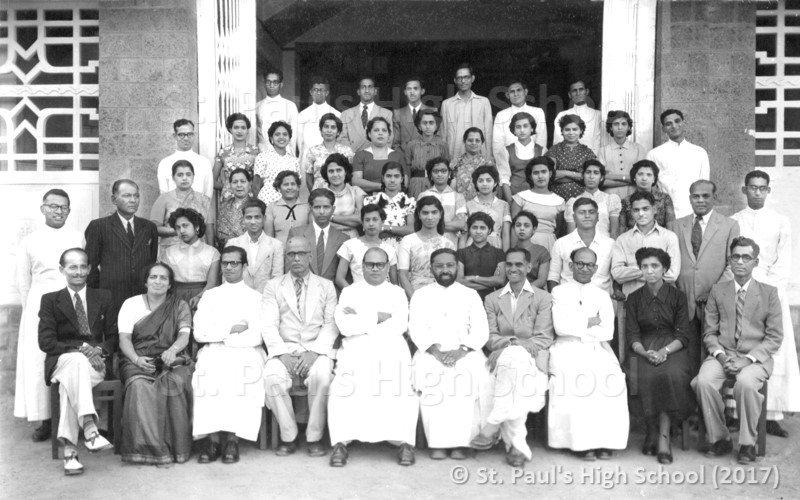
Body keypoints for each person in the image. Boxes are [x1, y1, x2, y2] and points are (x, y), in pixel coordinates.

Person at [692, 237, 783, 464]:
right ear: (730, 260)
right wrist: (721, 357)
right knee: (702, 381)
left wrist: (748, 360)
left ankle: (747, 443)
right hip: (723, 354)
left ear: (756, 262)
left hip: (755, 358)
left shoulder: (769, 293)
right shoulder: (718, 291)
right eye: (735, 256)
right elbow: (709, 333)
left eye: (746, 257)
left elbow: (774, 337)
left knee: (745, 383)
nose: (740, 261)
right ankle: (720, 437)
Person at [328, 247, 418, 467]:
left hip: (390, 346)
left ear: (388, 266)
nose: (375, 269)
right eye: (370, 264)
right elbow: (344, 325)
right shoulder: (350, 291)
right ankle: (341, 442)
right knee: (344, 383)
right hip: (355, 348)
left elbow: (399, 325)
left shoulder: (397, 292)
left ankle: (404, 442)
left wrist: (362, 321)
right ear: (362, 266)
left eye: (380, 264)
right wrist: (377, 316)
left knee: (401, 385)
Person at [731, 171, 800, 437]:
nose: (757, 192)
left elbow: (784, 260)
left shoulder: (780, 221)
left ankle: (771, 414)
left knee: (773, 351)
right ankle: (738, 413)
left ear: (768, 191)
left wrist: (767, 290)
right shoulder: (734, 221)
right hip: (741, 291)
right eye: (752, 188)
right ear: (744, 189)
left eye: (762, 188)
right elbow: (733, 259)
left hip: (772, 293)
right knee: (742, 346)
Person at [38, 248, 118, 475]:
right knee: (75, 362)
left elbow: (113, 338)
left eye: (83, 266)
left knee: (68, 384)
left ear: (90, 269)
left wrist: (99, 351)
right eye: (72, 267)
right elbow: (46, 342)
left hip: (94, 365)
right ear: (62, 269)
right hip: (63, 361)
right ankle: (91, 428)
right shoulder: (50, 301)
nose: (79, 271)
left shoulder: (104, 297)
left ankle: (70, 452)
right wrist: (83, 349)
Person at [473, 247, 553, 466]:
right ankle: (518, 447)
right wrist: (511, 346)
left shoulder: (543, 298)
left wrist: (511, 346)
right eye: (509, 264)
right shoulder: (492, 299)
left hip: (533, 357)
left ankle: (496, 423)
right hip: (502, 358)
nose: (513, 268)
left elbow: (543, 337)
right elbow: (490, 337)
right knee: (514, 364)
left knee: (515, 359)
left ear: (529, 267)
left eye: (519, 264)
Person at [548, 248, 629, 460]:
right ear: (571, 265)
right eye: (580, 263)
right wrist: (589, 321)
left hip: (597, 347)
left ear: (595, 268)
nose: (585, 268)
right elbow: (560, 327)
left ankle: (605, 441)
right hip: (566, 347)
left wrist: (579, 325)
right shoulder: (558, 292)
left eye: (589, 265)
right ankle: (581, 442)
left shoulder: (602, 296)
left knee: (610, 378)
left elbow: (607, 331)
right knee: (579, 379)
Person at [409, 248, 490, 460]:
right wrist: (435, 352)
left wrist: (461, 351)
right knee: (432, 375)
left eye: (449, 265)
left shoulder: (470, 295)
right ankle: (437, 443)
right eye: (439, 266)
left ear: (457, 267)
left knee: (467, 375)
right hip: (430, 351)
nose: (445, 270)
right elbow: (415, 328)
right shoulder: (420, 294)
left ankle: (462, 443)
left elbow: (481, 330)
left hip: (466, 350)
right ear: (431, 268)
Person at [15, 189, 82, 440]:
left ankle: (73, 418)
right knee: (38, 361)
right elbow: (24, 283)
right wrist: (32, 311)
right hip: (38, 307)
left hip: (71, 302)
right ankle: (45, 420)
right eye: (53, 206)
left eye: (64, 207)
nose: (58, 211)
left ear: (69, 210)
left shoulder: (77, 237)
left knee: (70, 357)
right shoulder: (29, 241)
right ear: (43, 209)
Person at [261, 237, 337, 458]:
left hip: (316, 349)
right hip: (284, 349)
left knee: (322, 378)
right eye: (291, 254)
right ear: (286, 257)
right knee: (272, 379)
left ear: (309, 256)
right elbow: (268, 324)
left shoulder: (326, 286)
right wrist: (282, 354)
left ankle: (314, 437)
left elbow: (331, 324)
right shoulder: (273, 286)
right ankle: (289, 435)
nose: (296, 258)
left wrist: (314, 353)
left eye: (301, 253)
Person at [192, 246, 266, 465]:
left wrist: (222, 335)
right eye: (225, 263)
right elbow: (199, 333)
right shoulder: (210, 296)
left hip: (246, 351)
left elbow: (257, 335)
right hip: (214, 350)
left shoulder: (255, 297)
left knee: (241, 374)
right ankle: (212, 439)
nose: (229, 267)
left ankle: (233, 439)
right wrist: (231, 329)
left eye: (235, 263)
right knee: (207, 374)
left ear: (244, 266)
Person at [117, 262, 193, 465]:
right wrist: (136, 359)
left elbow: (184, 336)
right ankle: (148, 450)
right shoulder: (130, 304)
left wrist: (172, 350)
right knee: (141, 386)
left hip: (172, 358)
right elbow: (124, 339)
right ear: (146, 281)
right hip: (136, 358)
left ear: (170, 284)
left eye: (163, 278)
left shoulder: (179, 305)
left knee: (174, 383)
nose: (157, 281)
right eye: (153, 277)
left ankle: (177, 449)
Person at [626, 248, 693, 464]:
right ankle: (651, 430)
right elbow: (632, 334)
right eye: (645, 266)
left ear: (664, 269)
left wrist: (664, 352)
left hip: (673, 348)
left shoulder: (678, 297)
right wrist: (644, 352)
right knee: (640, 375)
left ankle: (664, 437)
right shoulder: (634, 298)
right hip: (642, 349)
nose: (649, 271)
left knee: (669, 375)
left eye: (654, 266)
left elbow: (683, 335)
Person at [675, 180, 739, 373]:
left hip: (714, 301)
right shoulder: (677, 225)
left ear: (715, 198)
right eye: (696, 196)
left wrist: (714, 292)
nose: (700, 200)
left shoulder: (729, 225)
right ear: (690, 198)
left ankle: (708, 398)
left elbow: (732, 264)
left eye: (705, 196)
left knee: (711, 352)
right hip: (684, 300)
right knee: (685, 355)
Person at [85, 179, 159, 312]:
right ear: (114, 199)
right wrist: (98, 295)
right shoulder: (99, 226)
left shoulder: (149, 227)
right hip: (111, 298)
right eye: (127, 195)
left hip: (142, 298)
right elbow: (90, 265)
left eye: (136, 196)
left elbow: (151, 263)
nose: (133, 200)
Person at [612, 191, 681, 297]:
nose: (641, 214)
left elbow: (672, 274)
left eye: (645, 209)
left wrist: (633, 272)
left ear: (654, 210)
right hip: (632, 300)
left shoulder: (669, 237)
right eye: (636, 210)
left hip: (663, 301)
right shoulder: (622, 239)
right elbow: (617, 273)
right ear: (631, 212)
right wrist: (654, 270)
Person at [646, 109, 710, 218]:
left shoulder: (699, 152)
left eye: (677, 121)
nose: (674, 126)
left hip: (693, 212)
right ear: (663, 129)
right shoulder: (654, 154)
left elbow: (705, 185)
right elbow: (651, 187)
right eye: (668, 124)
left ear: (683, 123)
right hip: (667, 213)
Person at [548, 198, 616, 295]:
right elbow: (553, 276)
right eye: (582, 212)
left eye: (591, 212)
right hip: (568, 300)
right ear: (574, 217)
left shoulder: (610, 244)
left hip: (600, 301)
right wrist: (556, 299)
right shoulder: (561, 243)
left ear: (598, 217)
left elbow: (615, 275)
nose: (587, 216)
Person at [150, 159, 215, 254]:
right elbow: (154, 228)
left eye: (188, 174)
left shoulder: (204, 200)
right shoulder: (163, 199)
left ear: (193, 177)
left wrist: (211, 253)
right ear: (173, 178)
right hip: (171, 251)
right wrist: (178, 230)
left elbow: (209, 231)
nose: (184, 178)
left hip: (198, 251)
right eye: (180, 175)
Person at [161, 208, 220, 311]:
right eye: (178, 227)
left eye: (185, 225)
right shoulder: (168, 252)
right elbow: (164, 279)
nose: (181, 231)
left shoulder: (212, 252)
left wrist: (199, 297)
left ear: (197, 227)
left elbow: (212, 282)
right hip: (175, 297)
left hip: (204, 295)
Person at [398, 196, 456, 299]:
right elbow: (402, 274)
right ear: (419, 215)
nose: (430, 217)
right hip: (416, 293)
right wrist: (414, 300)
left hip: (443, 295)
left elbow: (452, 274)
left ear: (440, 214)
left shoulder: (448, 244)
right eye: (425, 213)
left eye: (434, 212)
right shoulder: (408, 240)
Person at [287, 188, 349, 284]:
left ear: (333, 209)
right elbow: (289, 267)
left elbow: (343, 275)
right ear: (310, 208)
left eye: (326, 207)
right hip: (302, 291)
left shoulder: (343, 238)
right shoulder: (296, 233)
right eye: (317, 207)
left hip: (331, 294)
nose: (321, 212)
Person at [226, 199, 284, 293]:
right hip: (239, 298)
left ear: (264, 218)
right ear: (243, 219)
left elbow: (277, 278)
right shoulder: (233, 244)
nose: (253, 222)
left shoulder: (276, 245)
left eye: (257, 217)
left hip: (266, 299)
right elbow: (228, 277)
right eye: (249, 217)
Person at [335, 204, 399, 288]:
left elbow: (394, 283)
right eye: (367, 220)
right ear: (362, 223)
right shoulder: (350, 245)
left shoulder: (390, 249)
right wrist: (352, 294)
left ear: (382, 222)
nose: (371, 224)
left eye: (375, 219)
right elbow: (339, 278)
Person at [511, 156, 565, 252]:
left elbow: (559, 230)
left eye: (544, 172)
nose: (540, 176)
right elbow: (514, 229)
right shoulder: (520, 198)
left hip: (549, 244)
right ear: (531, 176)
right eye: (536, 173)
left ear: (550, 174)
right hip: (524, 243)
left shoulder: (559, 201)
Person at [440, 63, 493, 161]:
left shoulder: (483, 102)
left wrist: (488, 157)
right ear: (455, 80)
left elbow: (488, 133)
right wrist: (445, 159)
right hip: (454, 157)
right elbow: (444, 135)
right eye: (459, 78)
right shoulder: (447, 104)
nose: (463, 81)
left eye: (466, 77)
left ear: (472, 78)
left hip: (479, 157)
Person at [363, 162, 416, 250]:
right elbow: (367, 227)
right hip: (375, 246)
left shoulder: (409, 202)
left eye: (396, 176)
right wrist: (399, 230)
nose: (392, 180)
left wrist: (385, 228)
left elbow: (411, 230)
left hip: (401, 247)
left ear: (402, 179)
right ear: (383, 178)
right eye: (388, 176)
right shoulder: (371, 201)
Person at [492, 79, 547, 161]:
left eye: (519, 90)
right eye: (512, 92)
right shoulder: (501, 115)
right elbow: (498, 144)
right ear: (507, 95)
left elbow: (541, 139)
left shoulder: (537, 112)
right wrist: (502, 162)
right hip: (509, 161)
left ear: (525, 92)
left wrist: (538, 161)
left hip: (534, 160)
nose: (515, 94)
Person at [157, 119, 213, 198]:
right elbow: (163, 194)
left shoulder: (204, 162)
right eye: (181, 135)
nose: (186, 138)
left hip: (198, 209)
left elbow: (208, 193)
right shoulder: (165, 163)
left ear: (194, 134)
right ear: (175, 136)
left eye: (189, 134)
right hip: (173, 208)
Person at [565, 160, 621, 238]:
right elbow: (570, 235)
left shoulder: (609, 199)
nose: (591, 177)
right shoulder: (574, 202)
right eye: (588, 172)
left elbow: (614, 232)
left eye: (596, 173)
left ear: (601, 178)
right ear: (583, 176)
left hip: (605, 244)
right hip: (581, 245)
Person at [597, 110, 647, 199]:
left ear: (628, 127)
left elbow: (642, 177)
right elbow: (601, 180)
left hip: (634, 196)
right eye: (616, 124)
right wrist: (628, 178)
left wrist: (611, 177)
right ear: (611, 127)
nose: (620, 127)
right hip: (609, 197)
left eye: (623, 124)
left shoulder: (638, 149)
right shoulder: (603, 151)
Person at [456, 212, 506, 300]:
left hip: (490, 299)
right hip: (466, 298)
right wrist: (490, 283)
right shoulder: (461, 253)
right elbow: (459, 281)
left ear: (489, 230)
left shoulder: (499, 253)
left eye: (482, 228)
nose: (478, 231)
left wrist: (473, 278)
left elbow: (501, 281)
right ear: (469, 229)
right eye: (474, 227)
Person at [419, 157, 467, 247]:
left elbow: (460, 224)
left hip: (451, 244)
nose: (440, 174)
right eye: (436, 171)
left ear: (449, 174)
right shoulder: (423, 195)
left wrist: (431, 224)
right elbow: (420, 223)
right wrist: (450, 225)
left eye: (443, 171)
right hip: (426, 243)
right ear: (430, 175)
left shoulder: (458, 197)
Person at [546, 114, 597, 200]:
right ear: (562, 131)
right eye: (567, 129)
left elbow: (590, 177)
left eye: (575, 129)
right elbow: (550, 175)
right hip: (556, 197)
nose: (571, 133)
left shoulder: (588, 152)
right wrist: (576, 175)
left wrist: (563, 173)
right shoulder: (554, 150)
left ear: (581, 130)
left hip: (582, 198)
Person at [351, 116, 406, 194]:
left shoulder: (397, 156)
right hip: (366, 200)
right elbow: (356, 182)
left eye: (384, 130)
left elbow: (404, 183)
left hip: (393, 200)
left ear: (389, 134)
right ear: (369, 134)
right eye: (376, 130)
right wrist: (381, 186)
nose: (380, 133)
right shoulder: (360, 155)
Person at [212, 112, 259, 201]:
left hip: (249, 197)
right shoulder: (223, 152)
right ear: (230, 130)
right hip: (228, 197)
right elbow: (212, 181)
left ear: (247, 130)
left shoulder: (256, 152)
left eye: (243, 128)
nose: (239, 131)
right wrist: (228, 186)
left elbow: (261, 180)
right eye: (236, 127)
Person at [338, 77, 393, 152]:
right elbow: (342, 138)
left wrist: (375, 156)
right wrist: (354, 156)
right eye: (363, 87)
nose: (367, 90)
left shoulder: (386, 114)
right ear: (358, 92)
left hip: (376, 158)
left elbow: (389, 139)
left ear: (375, 91)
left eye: (370, 87)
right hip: (353, 158)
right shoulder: (346, 114)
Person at [302, 113, 355, 190]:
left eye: (333, 127)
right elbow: (309, 178)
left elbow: (350, 175)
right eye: (326, 127)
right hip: (319, 193)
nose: (329, 130)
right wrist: (314, 195)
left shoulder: (347, 151)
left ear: (338, 132)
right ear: (321, 130)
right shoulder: (312, 151)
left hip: (341, 193)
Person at [619, 160, 676, 232]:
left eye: (649, 175)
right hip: (633, 240)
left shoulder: (664, 199)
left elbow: (671, 227)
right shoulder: (625, 201)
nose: (644, 178)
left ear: (654, 179)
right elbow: (622, 229)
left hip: (660, 240)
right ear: (634, 177)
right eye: (640, 174)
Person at [463, 165, 511, 250]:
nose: (484, 184)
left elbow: (505, 233)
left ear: (495, 183)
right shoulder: (468, 205)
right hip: (472, 246)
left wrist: (505, 255)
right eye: (480, 181)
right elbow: (465, 232)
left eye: (489, 180)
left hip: (495, 245)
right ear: (476, 184)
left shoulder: (503, 205)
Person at [498, 112, 544, 200]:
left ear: (532, 128)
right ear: (514, 130)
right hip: (514, 194)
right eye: (518, 127)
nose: (522, 130)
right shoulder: (506, 151)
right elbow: (504, 180)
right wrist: (510, 202)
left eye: (525, 126)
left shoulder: (541, 150)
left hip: (536, 195)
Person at [405, 109, 449, 199]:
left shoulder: (442, 145)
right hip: (416, 184)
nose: (428, 126)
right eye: (424, 123)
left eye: (431, 123)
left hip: (436, 183)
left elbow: (446, 168)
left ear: (436, 126)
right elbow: (407, 169)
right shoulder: (412, 145)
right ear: (419, 126)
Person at [320, 153, 366, 238]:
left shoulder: (356, 192)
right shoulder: (320, 192)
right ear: (326, 173)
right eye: (331, 171)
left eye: (339, 170)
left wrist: (331, 218)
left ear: (346, 172)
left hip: (351, 238)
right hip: (327, 237)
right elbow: (319, 222)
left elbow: (360, 220)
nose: (335, 174)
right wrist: (351, 218)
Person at [253, 121, 300, 205]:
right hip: (267, 203)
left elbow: (297, 188)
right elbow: (256, 186)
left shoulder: (294, 161)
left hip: (288, 205)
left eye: (285, 134)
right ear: (271, 138)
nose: (281, 137)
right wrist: (259, 206)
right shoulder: (263, 157)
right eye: (277, 134)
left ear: (289, 138)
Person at [552, 80, 603, 155]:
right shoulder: (562, 115)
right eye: (574, 91)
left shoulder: (597, 115)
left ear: (587, 91)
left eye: (581, 89)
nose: (578, 93)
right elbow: (558, 142)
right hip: (568, 159)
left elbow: (599, 141)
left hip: (592, 159)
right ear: (569, 94)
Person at [297, 76, 341, 161]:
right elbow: (299, 141)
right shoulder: (303, 114)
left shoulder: (336, 114)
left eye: (321, 90)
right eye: (315, 90)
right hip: (307, 156)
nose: (318, 93)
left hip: (329, 157)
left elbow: (338, 138)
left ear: (327, 93)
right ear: (311, 92)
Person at [256, 70, 298, 154]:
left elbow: (294, 135)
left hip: (284, 152)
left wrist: (291, 155)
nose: (271, 85)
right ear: (264, 83)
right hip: (263, 152)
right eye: (268, 82)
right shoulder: (257, 106)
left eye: (275, 82)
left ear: (281, 84)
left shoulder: (290, 106)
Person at [392, 77, 438, 156]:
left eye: (415, 88)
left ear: (422, 91)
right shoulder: (398, 113)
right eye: (409, 89)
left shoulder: (433, 111)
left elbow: (437, 139)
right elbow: (395, 143)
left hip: (427, 158)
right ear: (405, 92)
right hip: (405, 160)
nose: (412, 92)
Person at [265, 170, 310, 243]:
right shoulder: (272, 207)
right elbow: (269, 237)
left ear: (298, 187)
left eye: (293, 184)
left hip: (302, 251)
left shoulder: (307, 207)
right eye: (286, 184)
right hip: (279, 251)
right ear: (279, 188)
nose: (290, 187)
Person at [451, 127, 494, 201]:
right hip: (460, 205)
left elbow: (494, 188)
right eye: (470, 140)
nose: (474, 143)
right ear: (464, 142)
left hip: (482, 206)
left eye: (477, 140)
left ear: (482, 143)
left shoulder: (488, 163)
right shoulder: (455, 163)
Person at [510, 212, 550, 289]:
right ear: (514, 229)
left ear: (534, 229)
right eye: (518, 225)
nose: (522, 228)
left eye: (526, 226)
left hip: (534, 293)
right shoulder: (510, 253)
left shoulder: (542, 251)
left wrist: (522, 290)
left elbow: (542, 280)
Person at [216, 168, 253, 246]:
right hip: (228, 250)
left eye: (243, 182)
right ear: (230, 185)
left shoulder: (256, 206)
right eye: (235, 182)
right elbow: (220, 234)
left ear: (249, 184)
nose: (239, 185)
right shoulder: (224, 206)